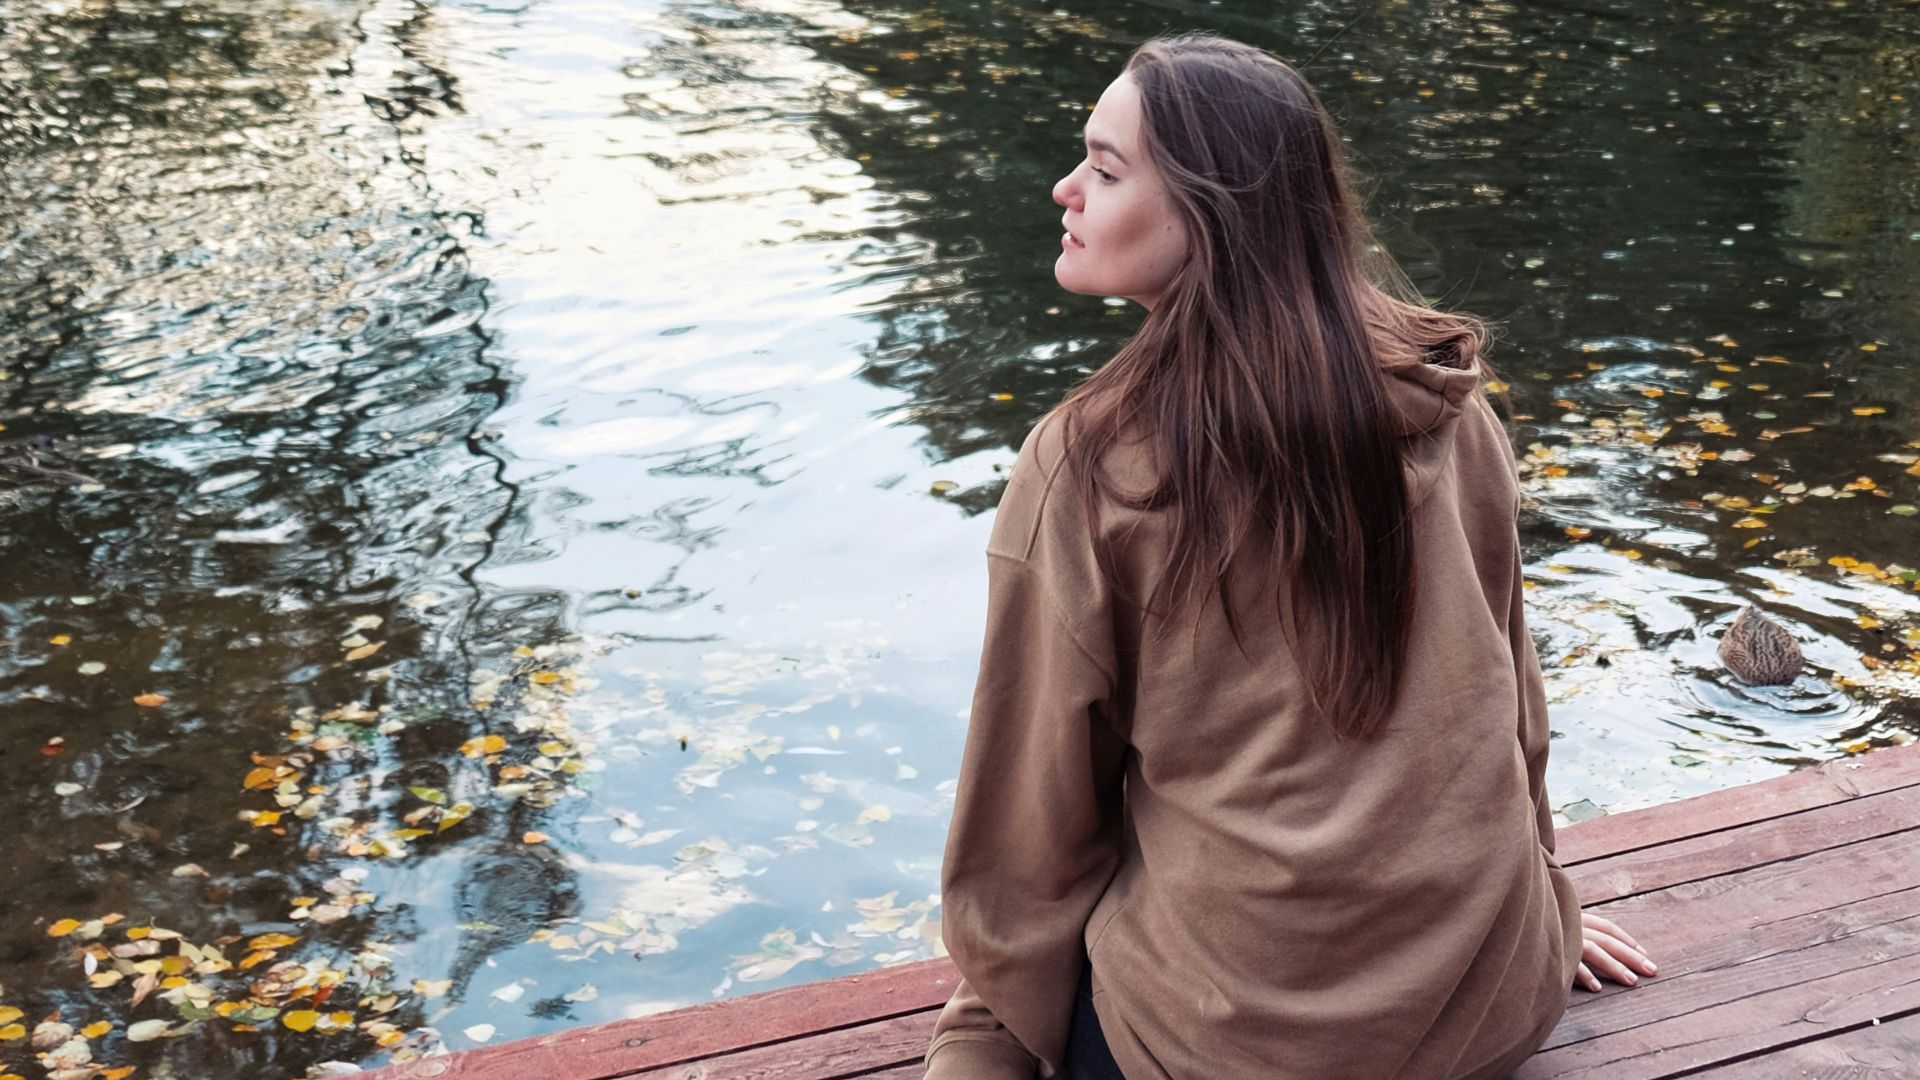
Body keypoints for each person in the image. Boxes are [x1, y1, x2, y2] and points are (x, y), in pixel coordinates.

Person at [922, 32, 1657, 1080]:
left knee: (1013, 975)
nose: (1065, 188)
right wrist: (1531, 903)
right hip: (1487, 1007)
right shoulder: (1446, 394)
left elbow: (1028, 825)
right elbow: (1510, 696)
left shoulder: (1090, 465)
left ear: (1211, 213)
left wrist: (987, 1031)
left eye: (1105, 166)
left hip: (1231, 1050)